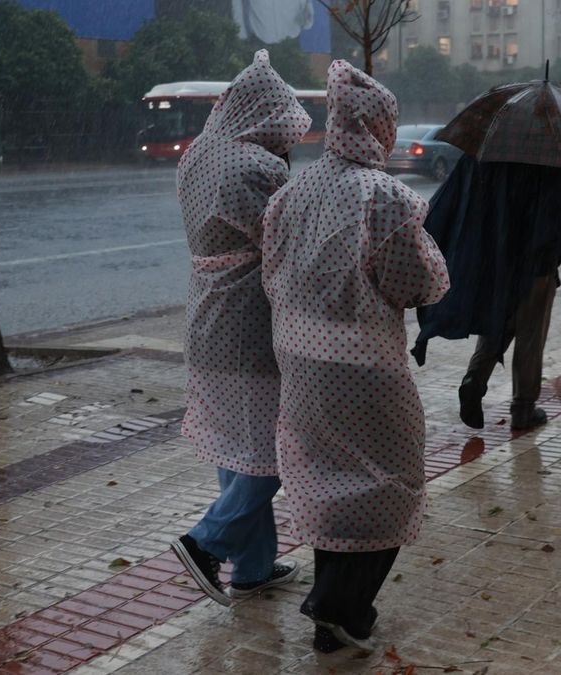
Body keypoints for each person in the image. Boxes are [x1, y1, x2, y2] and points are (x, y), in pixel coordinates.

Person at [261, 60, 450, 652]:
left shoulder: (291, 192)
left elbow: (272, 274)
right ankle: (339, 604)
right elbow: (416, 282)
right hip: (365, 369)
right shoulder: (385, 196)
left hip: (298, 362)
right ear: (378, 126)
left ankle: (333, 621)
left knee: (327, 482)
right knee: (392, 480)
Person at [170, 50, 311, 606]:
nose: (286, 140)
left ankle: (252, 569)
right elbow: (284, 245)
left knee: (236, 447)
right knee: (277, 451)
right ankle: (206, 541)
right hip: (249, 321)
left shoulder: (197, 156)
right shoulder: (259, 167)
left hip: (205, 313)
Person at [411, 156, 561, 431]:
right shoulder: (547, 166)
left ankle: (474, 379)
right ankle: (523, 408)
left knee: (497, 321)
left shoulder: (484, 159)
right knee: (530, 335)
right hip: (537, 265)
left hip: (496, 261)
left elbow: (451, 204)